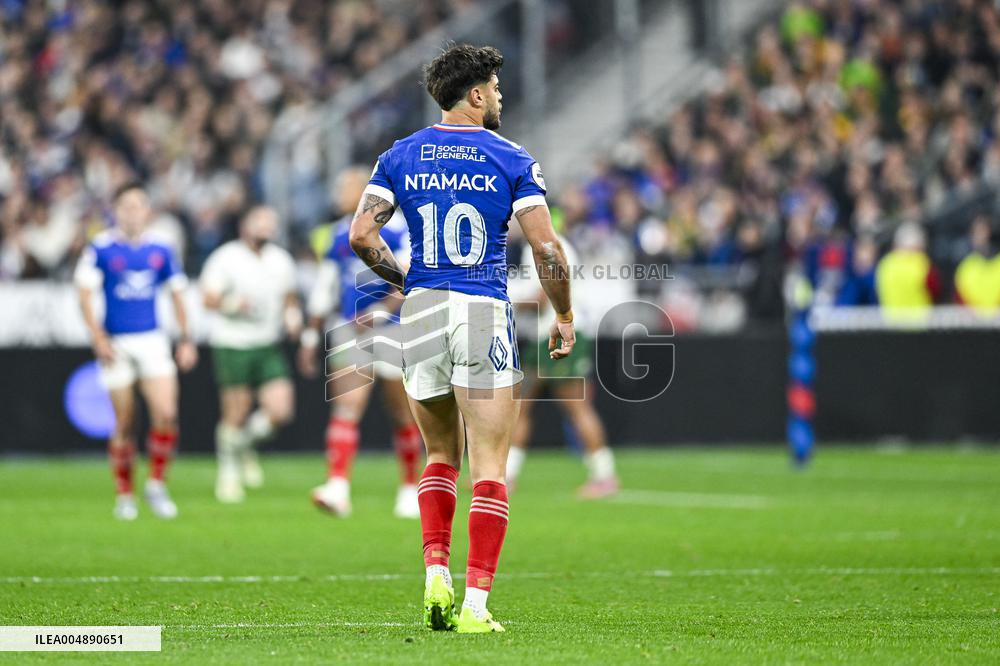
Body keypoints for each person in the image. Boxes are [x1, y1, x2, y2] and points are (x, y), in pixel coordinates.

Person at [349, 44, 575, 633]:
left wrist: (407, 282)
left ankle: (435, 573)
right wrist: (565, 313)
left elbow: (360, 234)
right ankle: (474, 606)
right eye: (496, 88)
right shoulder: (511, 156)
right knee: (491, 462)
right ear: (475, 94)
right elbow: (547, 248)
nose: (500, 97)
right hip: (480, 304)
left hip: (422, 308)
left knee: (440, 455)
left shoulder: (400, 155)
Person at [299, 167, 422, 519]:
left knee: (402, 411)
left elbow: (410, 277)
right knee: (347, 405)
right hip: (348, 327)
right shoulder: (337, 234)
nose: (339, 192)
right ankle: (338, 486)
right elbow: (327, 286)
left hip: (393, 328)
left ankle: (410, 488)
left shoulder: (398, 229)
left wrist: (381, 312)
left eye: (346, 186)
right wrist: (311, 335)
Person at [74, 182, 198, 520]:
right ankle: (124, 494)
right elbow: (84, 292)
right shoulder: (100, 248)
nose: (133, 211)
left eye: (139, 205)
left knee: (167, 414)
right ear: (116, 210)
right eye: (126, 205)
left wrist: (186, 339)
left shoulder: (161, 249)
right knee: (125, 421)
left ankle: (156, 484)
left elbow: (177, 293)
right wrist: (98, 337)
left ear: (147, 211)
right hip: (117, 342)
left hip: (153, 339)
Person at [506, 229, 618, 498]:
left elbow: (541, 299)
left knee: (575, 408)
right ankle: (506, 476)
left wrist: (503, 300)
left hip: (560, 334)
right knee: (520, 406)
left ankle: (605, 476)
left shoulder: (544, 246)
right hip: (548, 336)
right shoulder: (545, 244)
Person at [201, 206, 300, 503]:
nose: (266, 228)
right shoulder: (226, 257)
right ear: (245, 225)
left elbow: (289, 297)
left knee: (281, 410)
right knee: (237, 410)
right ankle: (228, 471)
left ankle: (242, 445)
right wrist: (233, 304)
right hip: (233, 342)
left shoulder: (280, 259)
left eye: (271, 223)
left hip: (267, 342)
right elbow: (208, 298)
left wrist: (293, 317)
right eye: (260, 221)